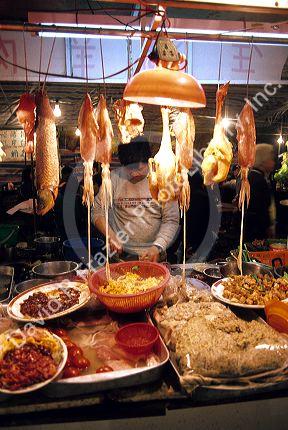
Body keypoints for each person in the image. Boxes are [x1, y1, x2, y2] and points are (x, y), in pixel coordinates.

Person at [93, 138, 180, 262]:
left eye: (139, 169)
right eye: (129, 169)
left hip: (155, 257)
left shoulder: (162, 180)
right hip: (120, 258)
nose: (134, 174)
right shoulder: (114, 178)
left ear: (148, 162)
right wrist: (110, 236)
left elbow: (171, 219)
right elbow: (97, 210)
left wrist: (157, 246)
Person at [244, 144, 276, 240]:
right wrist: (268, 227)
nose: (273, 163)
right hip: (256, 230)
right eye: (271, 159)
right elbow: (260, 209)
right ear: (263, 160)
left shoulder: (253, 176)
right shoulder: (258, 180)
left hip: (251, 227)